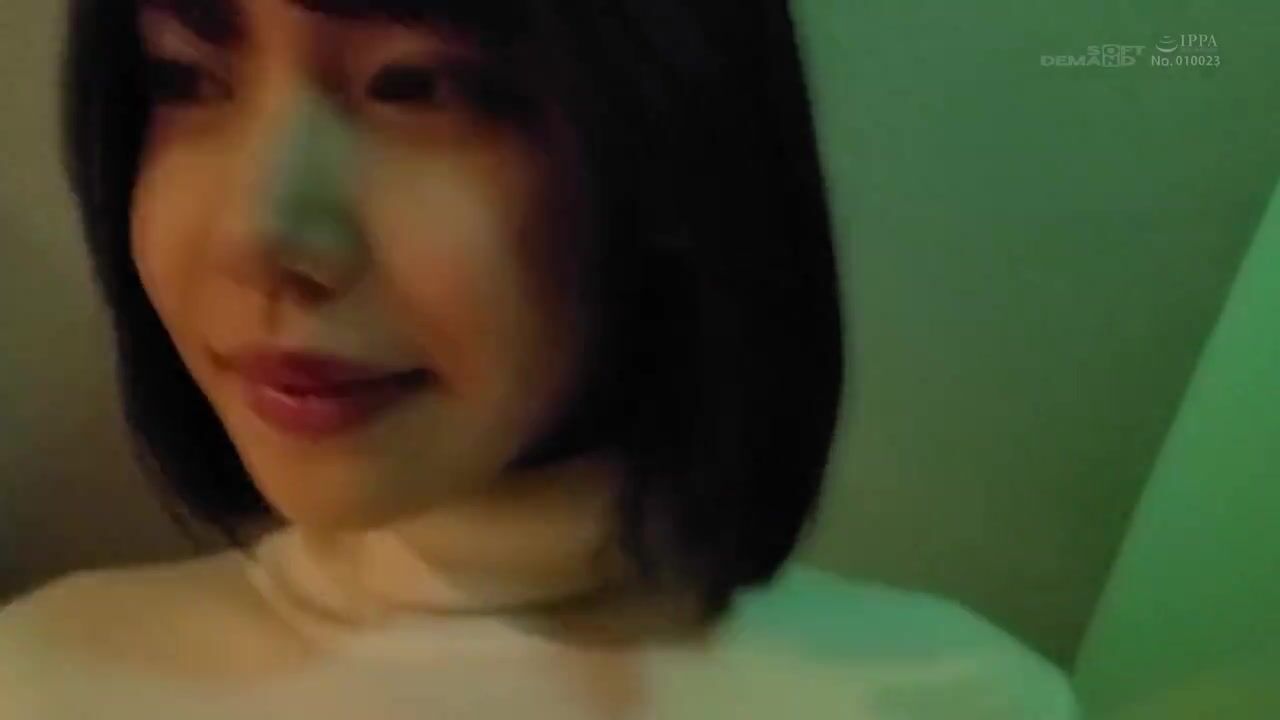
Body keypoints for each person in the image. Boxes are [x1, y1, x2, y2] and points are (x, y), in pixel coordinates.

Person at [0, 0, 1078, 717]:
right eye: (184, 79)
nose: (259, 232)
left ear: (671, 134)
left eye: (416, 83)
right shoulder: (46, 678)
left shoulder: (955, 700)